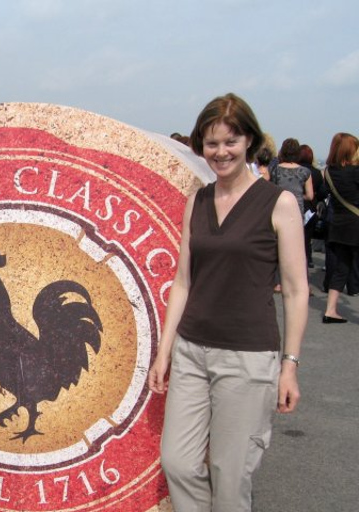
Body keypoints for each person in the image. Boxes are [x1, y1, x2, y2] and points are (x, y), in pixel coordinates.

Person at [147, 93, 307, 512]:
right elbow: (183, 281)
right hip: (192, 352)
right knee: (178, 462)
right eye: (212, 143)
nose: (221, 152)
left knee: (230, 474)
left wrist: (289, 365)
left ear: (250, 141)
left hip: (248, 357)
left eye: (230, 142)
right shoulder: (197, 202)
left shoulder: (279, 203)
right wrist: (164, 351)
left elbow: (295, 290)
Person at [321, 133, 359, 323]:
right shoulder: (355, 171)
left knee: (341, 267)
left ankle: (330, 310)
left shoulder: (328, 171)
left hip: (338, 225)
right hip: (356, 223)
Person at [270, 138, 314, 217]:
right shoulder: (305, 172)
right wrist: (298, 195)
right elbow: (310, 196)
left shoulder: (274, 169)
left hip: (279, 207)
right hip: (297, 209)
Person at [299, 144, 326, 268]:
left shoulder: (296, 170)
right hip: (311, 208)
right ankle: (308, 258)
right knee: (308, 236)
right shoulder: (315, 172)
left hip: (297, 205)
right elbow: (322, 192)